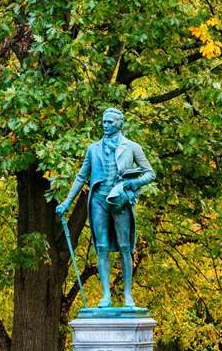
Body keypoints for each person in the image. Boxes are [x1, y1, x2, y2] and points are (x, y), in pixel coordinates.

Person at [56, 108, 155, 308]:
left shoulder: (132, 147)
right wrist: (67, 201)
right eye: (104, 121)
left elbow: (149, 173)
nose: (105, 125)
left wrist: (132, 184)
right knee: (100, 247)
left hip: (120, 202)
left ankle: (127, 295)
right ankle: (105, 296)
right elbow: (81, 176)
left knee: (125, 247)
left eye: (110, 122)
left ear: (120, 123)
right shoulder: (93, 149)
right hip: (98, 200)